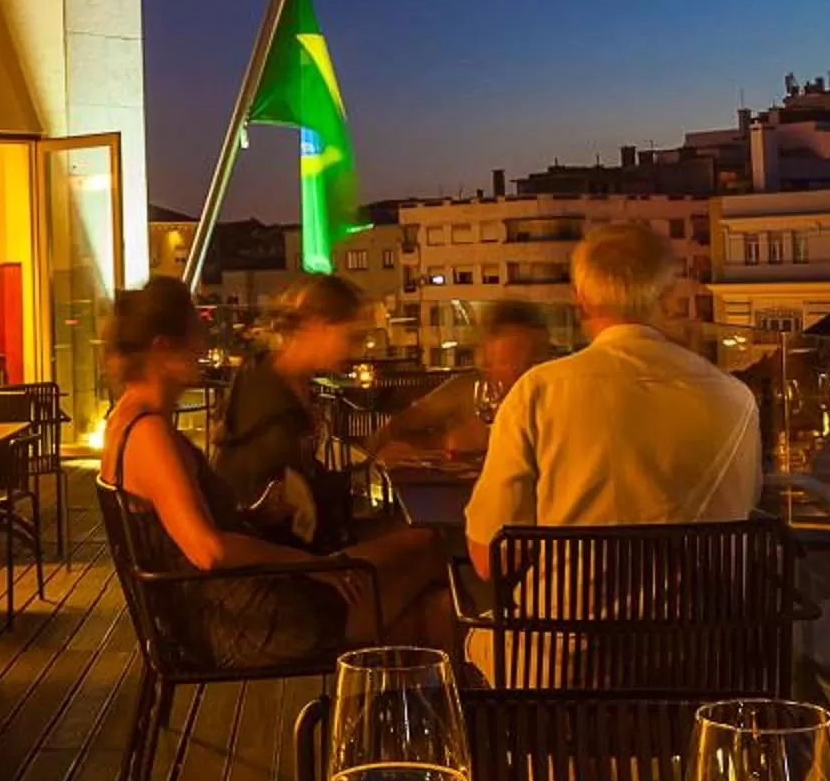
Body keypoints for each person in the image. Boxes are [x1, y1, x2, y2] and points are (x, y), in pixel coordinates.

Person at [101, 277, 450, 656]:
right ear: (163, 349)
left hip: (226, 603)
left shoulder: (128, 422)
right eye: (195, 337)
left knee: (431, 604)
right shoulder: (150, 435)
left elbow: (191, 529)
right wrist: (306, 562)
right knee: (431, 551)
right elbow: (208, 550)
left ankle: (379, 704)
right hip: (243, 616)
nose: (204, 349)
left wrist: (255, 513)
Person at [466, 223, 760, 572]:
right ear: (668, 298)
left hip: (566, 623)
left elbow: (491, 559)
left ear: (581, 301)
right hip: (712, 623)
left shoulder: (537, 392)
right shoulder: (737, 399)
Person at [212, 272, 371, 537]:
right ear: (319, 326)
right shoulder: (274, 406)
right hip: (270, 557)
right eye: (351, 337)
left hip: (262, 543)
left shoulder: (267, 372)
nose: (357, 349)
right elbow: (287, 505)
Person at [371, 299, 554, 467]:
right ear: (487, 359)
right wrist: (440, 444)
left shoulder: (556, 397)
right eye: (508, 359)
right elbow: (393, 429)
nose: (520, 370)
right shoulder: (469, 391)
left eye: (533, 358)